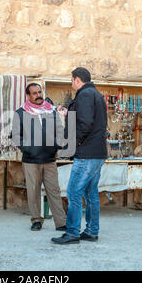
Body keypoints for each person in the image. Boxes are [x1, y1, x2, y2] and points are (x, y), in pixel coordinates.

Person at [52, 67, 108, 245]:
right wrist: (69, 115)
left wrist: (74, 145)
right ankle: (91, 231)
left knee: (73, 192)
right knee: (90, 193)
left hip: (86, 153)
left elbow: (84, 124)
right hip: (97, 153)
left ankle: (72, 233)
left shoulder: (84, 95)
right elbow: (88, 119)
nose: (71, 83)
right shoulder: (96, 94)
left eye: (71, 80)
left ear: (77, 80)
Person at [12, 83, 67, 232]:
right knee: (33, 192)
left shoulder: (51, 111)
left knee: (54, 191)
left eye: (39, 92)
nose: (38, 95)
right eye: (34, 93)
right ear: (28, 96)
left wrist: (56, 146)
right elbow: (16, 137)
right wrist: (29, 149)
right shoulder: (20, 113)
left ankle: (60, 222)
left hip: (49, 160)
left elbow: (60, 131)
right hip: (31, 161)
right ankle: (36, 220)